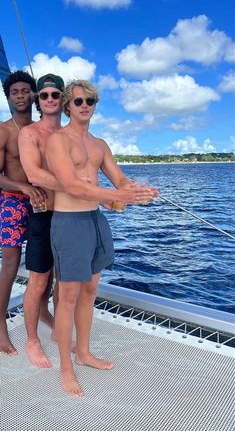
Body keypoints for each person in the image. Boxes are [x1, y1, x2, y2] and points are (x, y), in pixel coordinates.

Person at [46, 79, 158, 397]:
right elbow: (71, 185)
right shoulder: (59, 141)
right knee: (67, 297)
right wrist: (117, 193)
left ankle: (82, 353)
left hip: (96, 220)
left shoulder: (100, 144)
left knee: (91, 290)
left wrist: (136, 189)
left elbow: (118, 176)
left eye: (90, 101)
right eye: (79, 101)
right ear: (68, 105)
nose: (85, 105)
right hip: (69, 222)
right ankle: (66, 370)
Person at [18, 73, 64, 368]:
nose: (49, 99)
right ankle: (32, 340)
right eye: (44, 95)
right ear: (38, 101)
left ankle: (59, 329)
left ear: (63, 100)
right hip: (42, 215)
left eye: (55, 94)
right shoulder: (30, 134)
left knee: (65, 280)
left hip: (72, 216)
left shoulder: (71, 135)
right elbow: (34, 174)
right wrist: (78, 186)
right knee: (37, 282)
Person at [0, 70, 47, 355]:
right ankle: (0, 327)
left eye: (24, 91)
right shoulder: (4, 131)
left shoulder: (41, 129)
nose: (20, 95)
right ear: (8, 97)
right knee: (10, 264)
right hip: (12, 202)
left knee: (44, 263)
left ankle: (42, 311)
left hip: (41, 203)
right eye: (14, 92)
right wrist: (23, 187)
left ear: (33, 95)